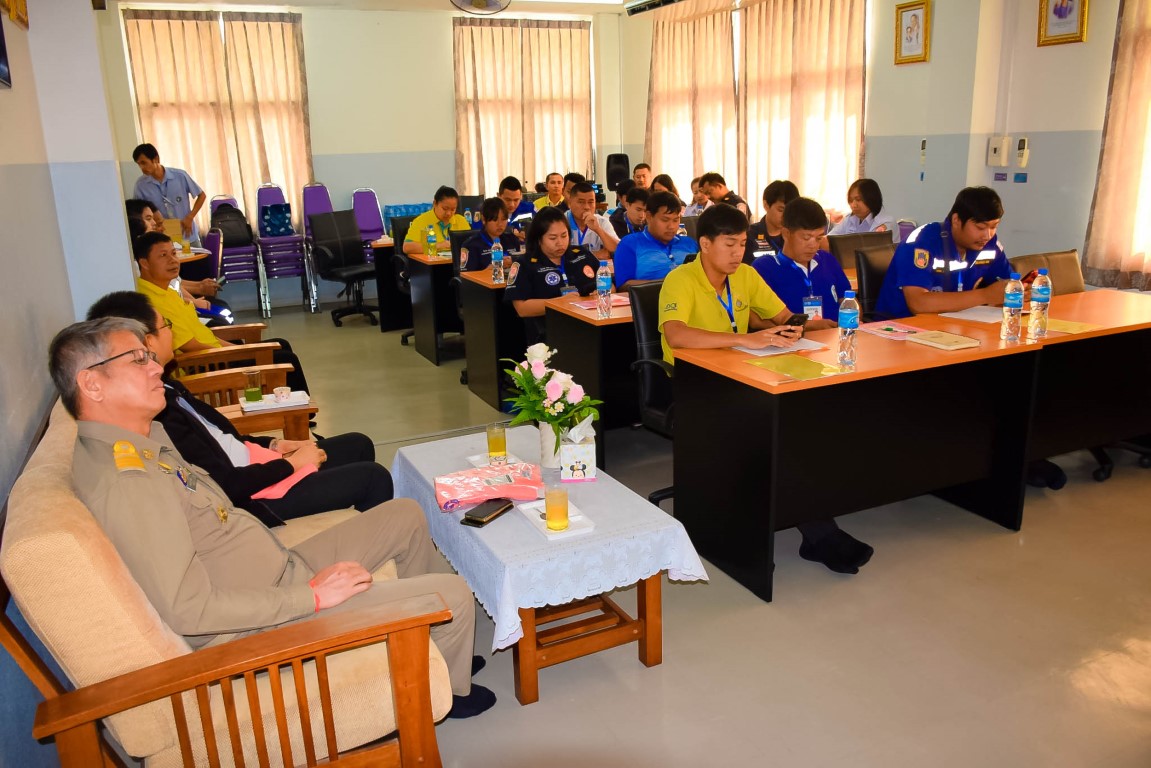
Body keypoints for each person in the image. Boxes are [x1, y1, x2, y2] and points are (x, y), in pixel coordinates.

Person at [49, 317, 496, 718]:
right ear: (92, 384)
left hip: (275, 571)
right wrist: (312, 598)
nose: (155, 368)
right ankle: (446, 692)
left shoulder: (143, 441)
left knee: (403, 515)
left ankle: (432, 651)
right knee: (451, 594)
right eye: (138, 359)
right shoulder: (128, 483)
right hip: (261, 620)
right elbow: (189, 611)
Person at [659, 203, 875, 574]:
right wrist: (745, 338)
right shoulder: (680, 280)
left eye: (742, 244)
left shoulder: (745, 275)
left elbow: (782, 315)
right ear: (705, 244)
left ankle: (815, 532)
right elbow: (676, 335)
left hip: (743, 376)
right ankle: (813, 536)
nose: (737, 253)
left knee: (798, 425)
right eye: (729, 244)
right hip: (694, 386)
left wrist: (794, 327)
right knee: (774, 435)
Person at [86, 291, 394, 523]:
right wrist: (291, 465)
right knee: (373, 477)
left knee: (358, 444)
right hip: (252, 497)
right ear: (147, 342)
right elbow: (223, 485)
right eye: (166, 325)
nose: (172, 331)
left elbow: (220, 437)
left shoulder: (167, 387)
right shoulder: (157, 412)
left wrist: (273, 444)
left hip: (255, 464)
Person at [133, 231, 312, 393]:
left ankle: (289, 407)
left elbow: (203, 334)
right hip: (203, 363)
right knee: (285, 358)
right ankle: (298, 415)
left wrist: (241, 349)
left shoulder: (168, 291)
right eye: (163, 255)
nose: (173, 260)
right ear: (144, 263)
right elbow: (190, 346)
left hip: (214, 354)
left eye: (173, 253)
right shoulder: (151, 300)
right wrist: (240, 352)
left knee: (281, 344)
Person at [875, 186, 1014, 319]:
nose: (987, 235)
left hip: (955, 323)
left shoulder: (990, 245)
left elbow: (1008, 285)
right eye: (980, 227)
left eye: (994, 227)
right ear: (956, 220)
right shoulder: (921, 243)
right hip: (900, 326)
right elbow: (918, 303)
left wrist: (1015, 290)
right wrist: (985, 295)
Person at [503, 206, 598, 345]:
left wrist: (601, 293)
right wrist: (561, 303)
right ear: (539, 238)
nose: (560, 242)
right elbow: (522, 308)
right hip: (548, 336)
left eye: (564, 236)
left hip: (591, 329)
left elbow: (610, 284)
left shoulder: (582, 254)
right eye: (553, 238)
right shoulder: (525, 264)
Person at [752, 197, 849, 330]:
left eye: (818, 238)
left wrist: (852, 317)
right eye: (806, 238)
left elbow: (848, 300)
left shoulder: (827, 260)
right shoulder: (765, 267)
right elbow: (755, 322)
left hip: (835, 336)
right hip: (792, 340)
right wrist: (807, 327)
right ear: (786, 233)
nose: (813, 245)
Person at [612, 191, 697, 289]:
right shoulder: (630, 244)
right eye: (665, 220)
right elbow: (624, 285)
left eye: (676, 220)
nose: (671, 226)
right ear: (649, 216)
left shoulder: (690, 244)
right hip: (650, 298)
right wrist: (669, 281)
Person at [132, 143, 207, 245]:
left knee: (196, 255)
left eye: (144, 163)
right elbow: (138, 211)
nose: (142, 167)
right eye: (139, 164)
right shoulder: (141, 185)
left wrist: (190, 217)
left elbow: (201, 195)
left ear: (156, 159)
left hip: (187, 235)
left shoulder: (180, 176)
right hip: (162, 239)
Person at [403, 186, 471, 255]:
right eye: (445, 209)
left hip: (456, 261)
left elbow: (471, 244)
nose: (448, 213)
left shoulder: (461, 221)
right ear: (435, 203)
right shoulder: (421, 221)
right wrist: (438, 245)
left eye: (453, 209)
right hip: (432, 261)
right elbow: (407, 247)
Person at [746, 180, 800, 263]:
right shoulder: (749, 235)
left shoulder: (796, 236)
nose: (786, 216)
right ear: (766, 205)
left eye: (791, 211)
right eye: (781, 210)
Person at [460, 198, 520, 273]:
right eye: (495, 220)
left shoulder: (512, 239)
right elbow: (466, 276)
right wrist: (491, 268)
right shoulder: (471, 245)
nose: (500, 224)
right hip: (485, 280)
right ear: (484, 219)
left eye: (503, 219)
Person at [566, 181, 619, 256]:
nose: (587, 207)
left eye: (591, 202)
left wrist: (598, 229)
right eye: (581, 202)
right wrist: (593, 255)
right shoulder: (562, 221)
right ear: (570, 202)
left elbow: (618, 248)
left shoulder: (602, 221)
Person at [827, 178, 895, 236]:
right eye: (851, 200)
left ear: (871, 199)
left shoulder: (885, 223)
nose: (853, 205)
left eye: (858, 199)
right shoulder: (849, 219)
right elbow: (830, 238)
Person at [497, 176, 535, 240]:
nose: (512, 205)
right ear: (499, 196)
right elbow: (481, 234)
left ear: (521, 196)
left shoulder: (530, 209)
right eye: (507, 200)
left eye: (516, 200)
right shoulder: (490, 211)